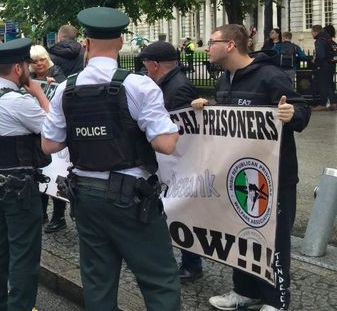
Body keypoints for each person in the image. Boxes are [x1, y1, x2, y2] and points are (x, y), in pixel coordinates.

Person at [41, 7, 181, 311]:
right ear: (120, 42)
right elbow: (165, 145)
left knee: (98, 283)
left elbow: (49, 144)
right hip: (130, 198)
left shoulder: (66, 88)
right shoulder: (139, 85)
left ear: (86, 44)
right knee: (159, 280)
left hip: (86, 195)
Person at [191, 24, 310, 311]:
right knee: (239, 233)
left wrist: (292, 112)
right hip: (238, 176)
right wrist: (206, 108)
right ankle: (245, 291)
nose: (207, 47)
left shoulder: (270, 76)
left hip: (274, 176)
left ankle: (276, 300)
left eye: (212, 42)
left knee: (273, 238)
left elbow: (301, 109)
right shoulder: (224, 80)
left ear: (230, 45)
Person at [0, 38, 51, 311]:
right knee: (24, 254)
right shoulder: (18, 101)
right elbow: (52, 129)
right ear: (18, 68)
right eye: (27, 65)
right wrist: (39, 93)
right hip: (18, 189)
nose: (30, 69)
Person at [138, 41, 202, 283]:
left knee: (182, 211)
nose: (145, 69)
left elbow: (185, 128)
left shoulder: (178, 87)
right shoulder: (167, 83)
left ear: (155, 65)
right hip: (169, 160)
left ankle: (191, 264)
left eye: (146, 64)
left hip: (179, 161)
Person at [29, 45, 68, 234]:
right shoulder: (30, 78)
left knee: (56, 175)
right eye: (35, 61)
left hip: (54, 132)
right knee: (40, 173)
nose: (39, 64)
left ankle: (59, 217)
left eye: (41, 60)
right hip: (36, 131)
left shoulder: (58, 74)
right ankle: (42, 213)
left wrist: (54, 84)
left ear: (47, 59)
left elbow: (64, 94)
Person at [311, 24, 337, 111]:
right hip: (331, 65)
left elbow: (321, 55)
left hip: (323, 66)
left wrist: (315, 62)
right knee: (329, 84)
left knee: (323, 85)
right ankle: (334, 103)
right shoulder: (329, 40)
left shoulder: (319, 40)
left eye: (312, 32)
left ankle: (322, 104)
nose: (311, 34)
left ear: (316, 32)